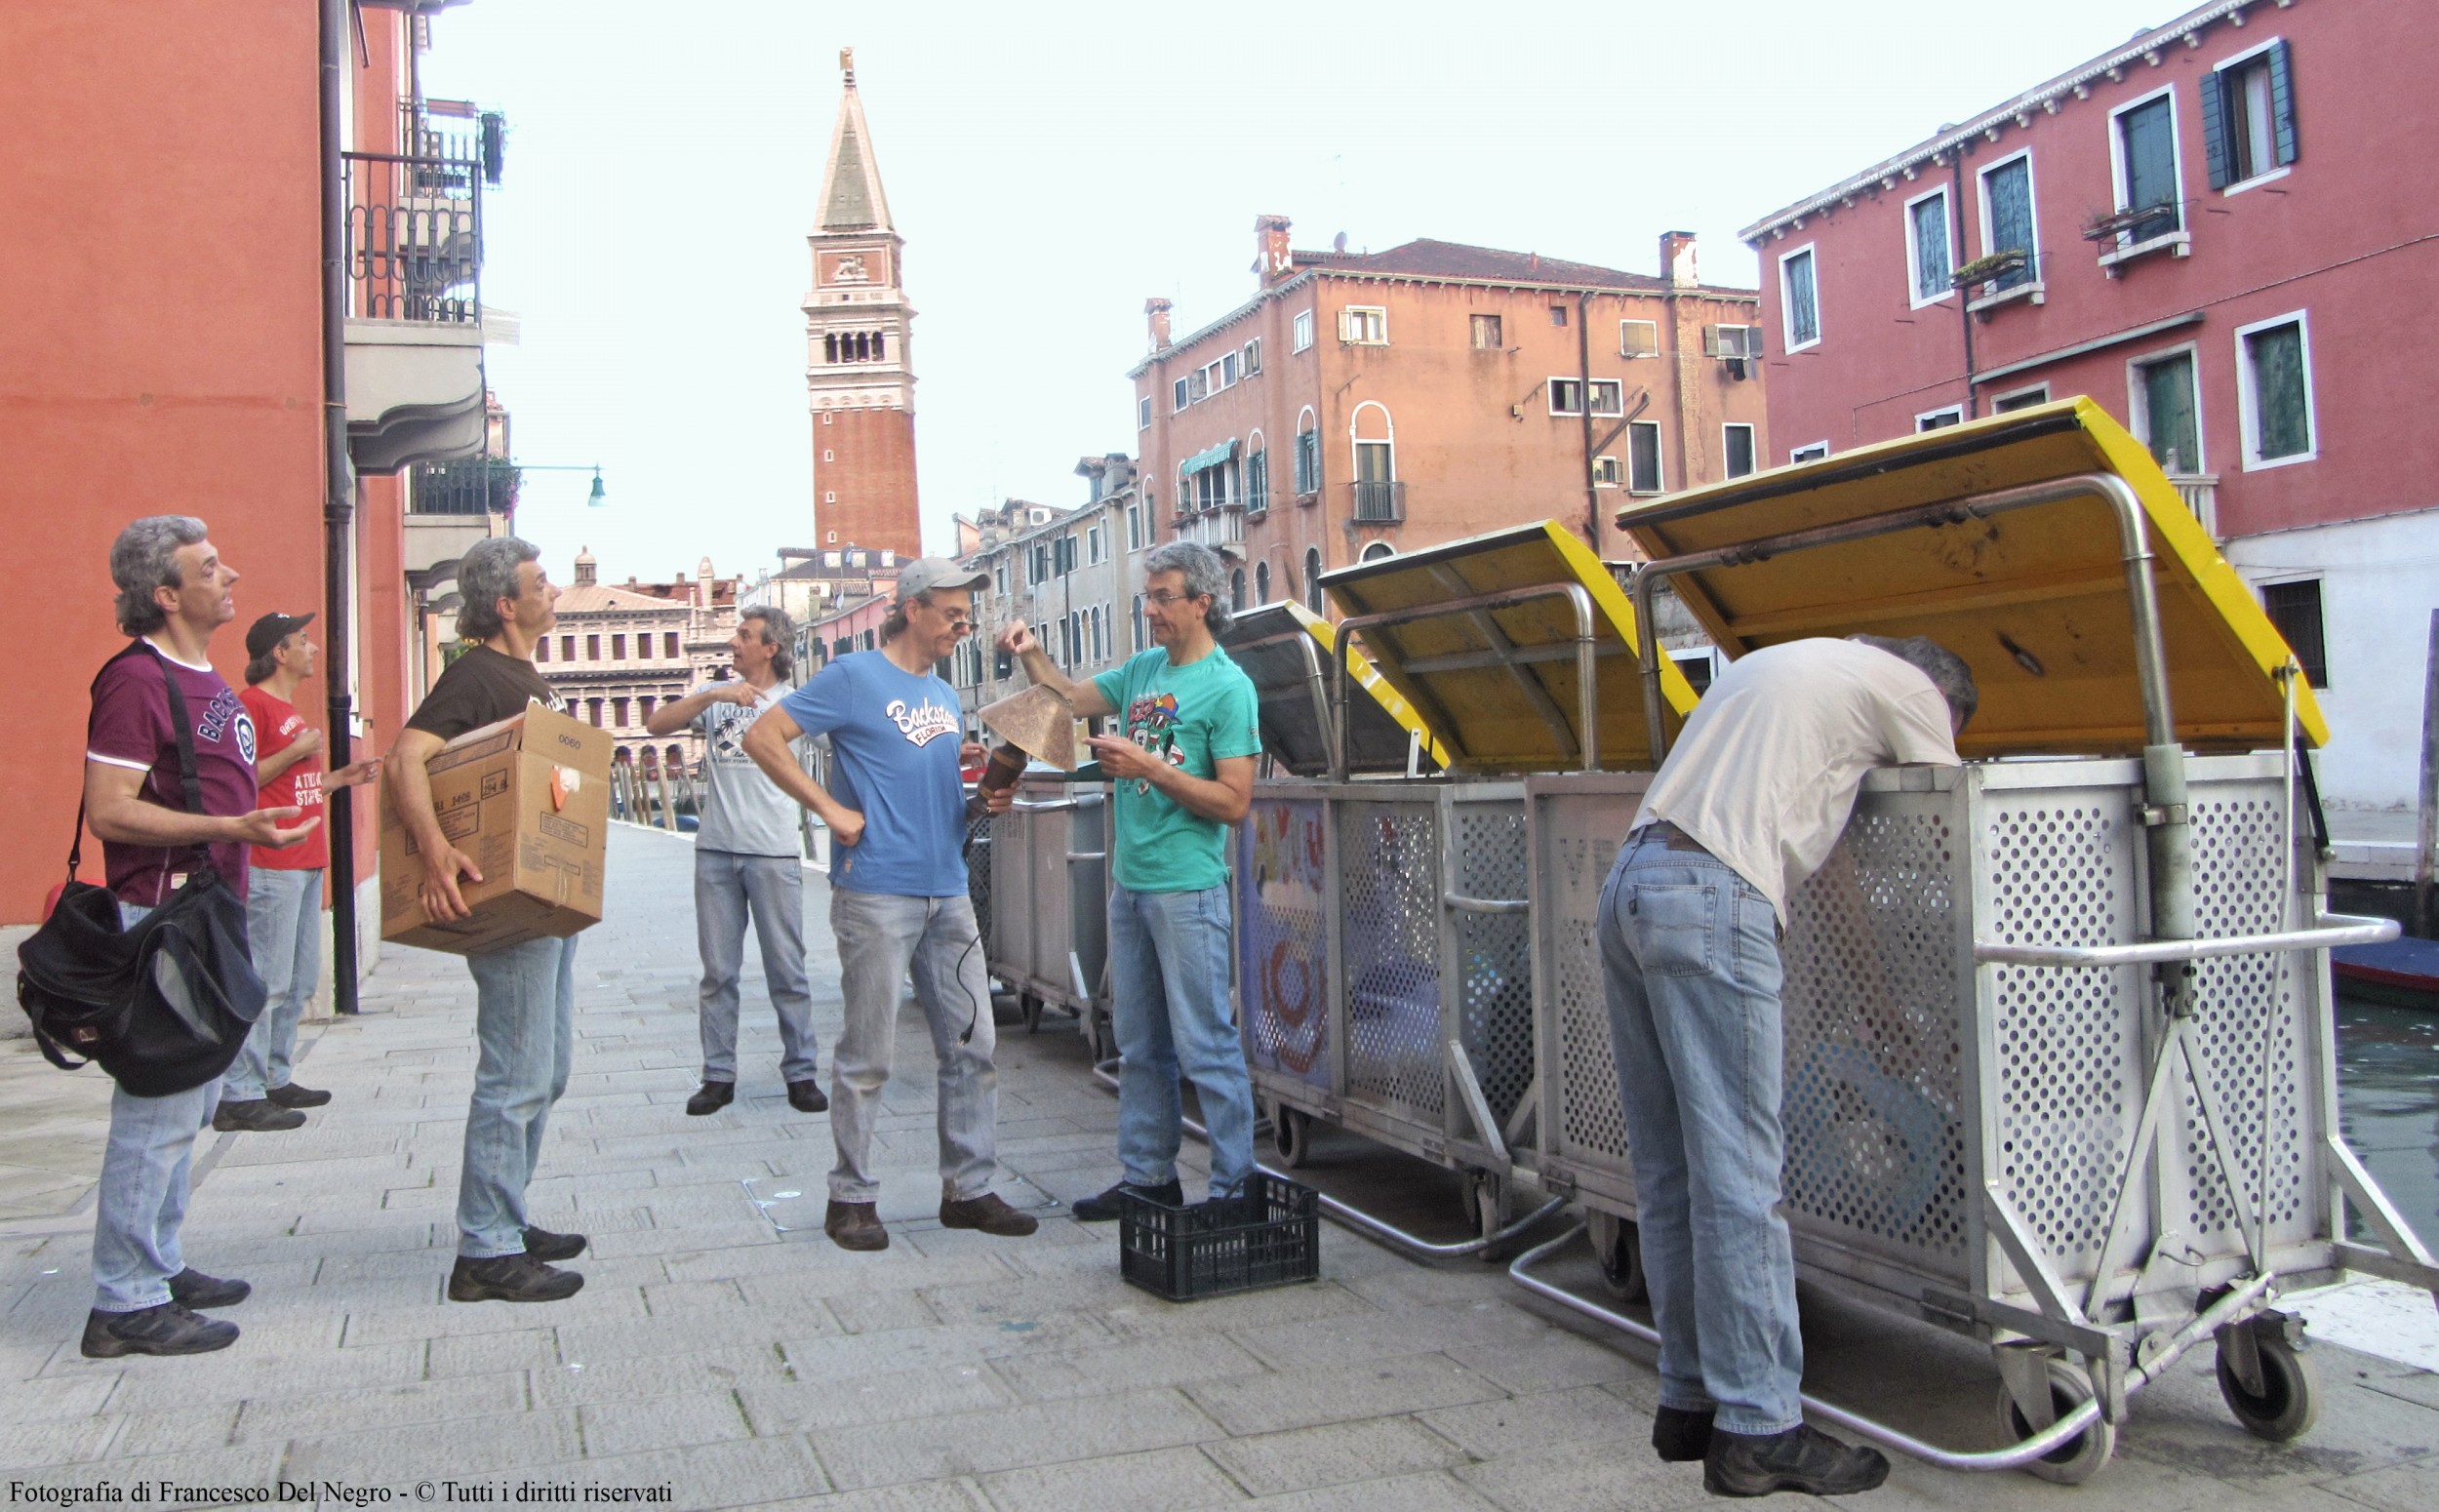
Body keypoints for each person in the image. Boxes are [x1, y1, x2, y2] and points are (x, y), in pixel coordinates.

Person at [1600, 634, 1976, 1498]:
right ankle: (1762, 1427)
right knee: (1742, 1180)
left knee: (1671, 1171)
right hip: (1712, 896)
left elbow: (1830, 862)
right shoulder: (1914, 688)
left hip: (1634, 885)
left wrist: (1877, 1001)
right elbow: (1950, 831)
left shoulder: (1794, 670)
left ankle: (1690, 1400)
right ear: (1941, 694)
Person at [741, 559, 1037, 1253]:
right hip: (874, 890)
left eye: (967, 616)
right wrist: (830, 809)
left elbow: (932, 793)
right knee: (868, 1053)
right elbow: (762, 737)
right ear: (911, 609)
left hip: (948, 890)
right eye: (953, 614)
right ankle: (850, 1198)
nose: (963, 627)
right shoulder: (851, 677)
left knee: (974, 1045)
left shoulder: (943, 694)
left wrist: (984, 801)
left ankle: (969, 1189)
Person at [79, 516, 322, 1356]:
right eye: (210, 567)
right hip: (165, 917)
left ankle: (159, 1262)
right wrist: (230, 827)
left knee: (186, 1108)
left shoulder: (205, 678)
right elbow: (108, 810)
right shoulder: (135, 680)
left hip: (210, 910)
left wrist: (250, 823)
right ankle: (124, 1303)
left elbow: (224, 784)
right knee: (157, 1109)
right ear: (166, 594)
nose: (231, 576)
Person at [995, 540, 1261, 1219]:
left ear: (1202, 603)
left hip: (1189, 891)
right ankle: (1149, 1178)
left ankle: (1236, 1190)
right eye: (1148, 597)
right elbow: (1065, 700)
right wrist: (1031, 651)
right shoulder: (1143, 669)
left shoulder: (1230, 688)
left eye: (1163, 597)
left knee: (1206, 1045)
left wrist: (1151, 769)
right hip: (1131, 886)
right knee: (1139, 1045)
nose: (1150, 610)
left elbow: (1234, 803)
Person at [386, 537, 590, 1303]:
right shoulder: (475, 674)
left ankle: (506, 1212)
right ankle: (486, 1250)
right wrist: (435, 852)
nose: (553, 593)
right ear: (506, 605)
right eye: (542, 583)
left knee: (548, 1071)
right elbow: (405, 757)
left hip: (547, 903)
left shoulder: (524, 676)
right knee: (514, 1073)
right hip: (509, 907)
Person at [644, 606, 826, 1118]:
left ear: (771, 648)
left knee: (787, 969)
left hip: (773, 853)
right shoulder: (716, 697)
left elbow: (846, 744)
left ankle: (802, 1073)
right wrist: (713, 695)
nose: (734, 643)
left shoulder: (796, 704)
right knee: (718, 973)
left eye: (744, 636)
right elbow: (656, 725)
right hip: (716, 854)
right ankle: (717, 1076)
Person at [216, 611, 379, 1132]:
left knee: (300, 978)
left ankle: (274, 1077)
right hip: (272, 865)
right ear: (279, 653)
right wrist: (295, 751)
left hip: (306, 863)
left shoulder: (284, 710)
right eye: (303, 640)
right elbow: (241, 782)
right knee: (266, 981)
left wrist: (339, 778)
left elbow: (295, 788)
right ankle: (239, 1094)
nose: (313, 648)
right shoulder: (251, 706)